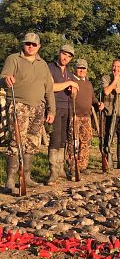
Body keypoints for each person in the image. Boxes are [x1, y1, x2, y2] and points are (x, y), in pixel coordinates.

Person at [0, 32, 55, 193]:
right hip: (18, 105)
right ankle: (10, 179)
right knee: (16, 141)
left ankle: (27, 177)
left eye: (34, 44)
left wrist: (51, 110)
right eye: (27, 44)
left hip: (39, 107)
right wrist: (6, 79)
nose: (30, 46)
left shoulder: (43, 64)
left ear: (39, 46)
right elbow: (2, 77)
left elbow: (49, 89)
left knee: (32, 142)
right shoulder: (13, 59)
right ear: (23, 45)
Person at [47, 44, 79, 185]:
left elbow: (75, 92)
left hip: (67, 108)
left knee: (63, 140)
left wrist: (73, 90)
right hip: (54, 107)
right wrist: (69, 83)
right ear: (59, 53)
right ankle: (53, 172)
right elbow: (51, 87)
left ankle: (60, 169)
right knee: (54, 139)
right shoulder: (50, 68)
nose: (66, 57)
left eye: (69, 56)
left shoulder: (70, 73)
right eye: (64, 54)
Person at [66, 58, 102, 175]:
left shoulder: (88, 83)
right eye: (79, 68)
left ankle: (82, 165)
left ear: (86, 70)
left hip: (86, 117)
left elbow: (92, 98)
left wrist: (98, 103)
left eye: (83, 68)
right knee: (73, 141)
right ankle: (72, 165)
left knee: (85, 141)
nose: (81, 70)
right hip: (74, 116)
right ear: (75, 69)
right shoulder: (69, 80)